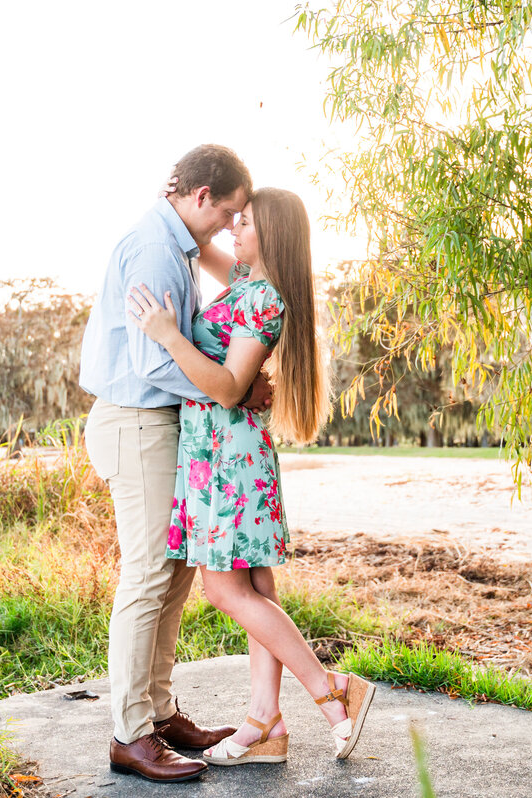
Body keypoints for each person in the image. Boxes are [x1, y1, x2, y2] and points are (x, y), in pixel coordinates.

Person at [126, 187, 376, 766]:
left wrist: (168, 336)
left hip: (229, 458)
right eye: (234, 217)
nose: (233, 228)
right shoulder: (244, 279)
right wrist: (177, 207)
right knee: (257, 589)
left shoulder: (262, 298)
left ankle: (330, 692)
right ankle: (265, 722)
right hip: (220, 452)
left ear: (274, 236)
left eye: (246, 222)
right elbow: (198, 242)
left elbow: (228, 387)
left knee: (223, 588)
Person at [80, 144, 271, 783]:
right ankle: (130, 734)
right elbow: (153, 361)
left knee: (176, 568)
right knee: (147, 573)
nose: (227, 226)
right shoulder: (158, 250)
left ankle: (160, 714)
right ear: (199, 198)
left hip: (161, 424)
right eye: (227, 213)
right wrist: (233, 386)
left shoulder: (180, 247)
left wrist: (235, 379)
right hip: (137, 422)